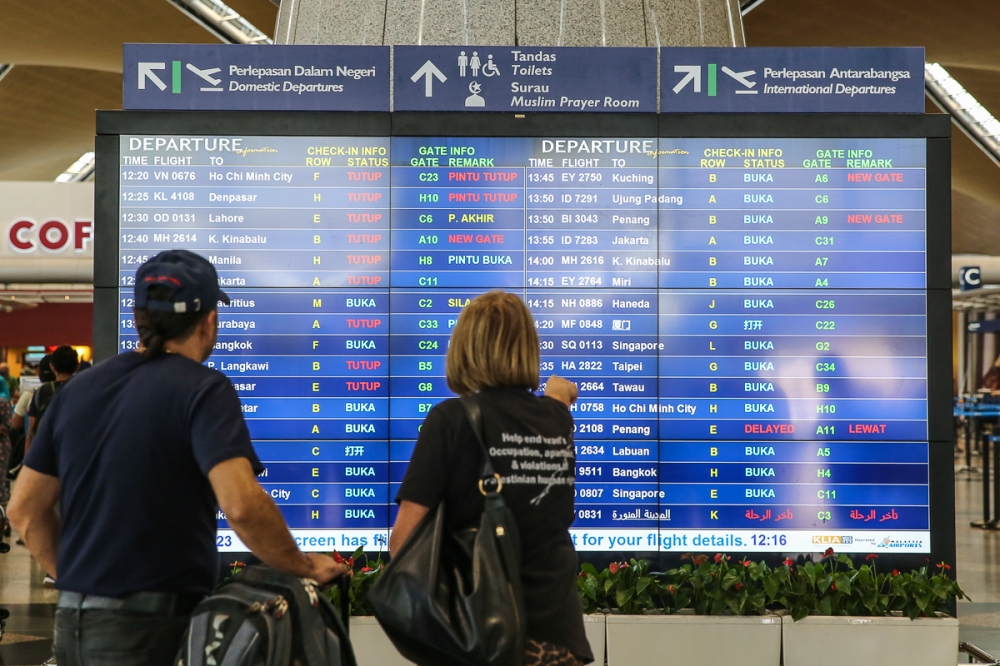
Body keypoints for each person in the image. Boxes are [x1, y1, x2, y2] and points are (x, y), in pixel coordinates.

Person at [8, 250, 348, 665]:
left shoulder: (79, 390)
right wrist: (303, 567)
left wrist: (83, 583)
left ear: (138, 318)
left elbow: (24, 508)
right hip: (154, 629)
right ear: (208, 321)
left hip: (74, 625)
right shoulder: (204, 389)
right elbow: (240, 503)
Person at [389, 290, 593, 666]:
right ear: (528, 348)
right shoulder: (556, 419)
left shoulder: (450, 422)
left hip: (479, 638)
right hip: (558, 642)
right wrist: (558, 397)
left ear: (466, 347)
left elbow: (404, 541)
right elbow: (553, 403)